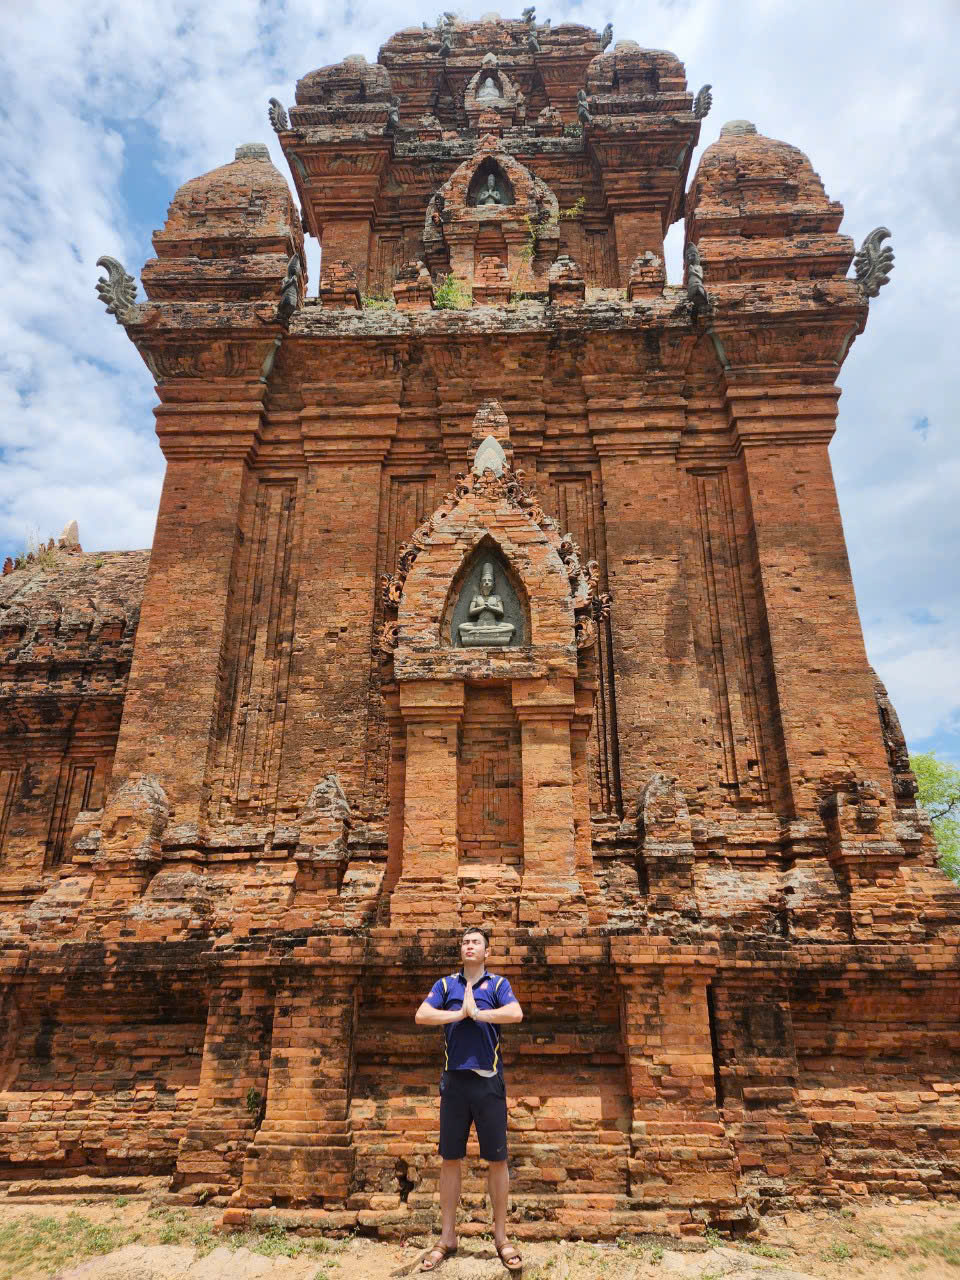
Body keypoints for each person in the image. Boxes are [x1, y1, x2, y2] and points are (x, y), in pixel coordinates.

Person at [415, 927, 524, 1273]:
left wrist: (479, 1014)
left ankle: (501, 1237)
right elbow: (422, 1015)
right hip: (455, 1082)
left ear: (487, 952)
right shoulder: (446, 985)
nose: (469, 946)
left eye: (476, 942)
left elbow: (516, 1013)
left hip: (488, 1082)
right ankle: (447, 1237)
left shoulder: (498, 984)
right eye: (465, 942)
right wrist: (459, 1014)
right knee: (450, 1158)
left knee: (497, 1160)